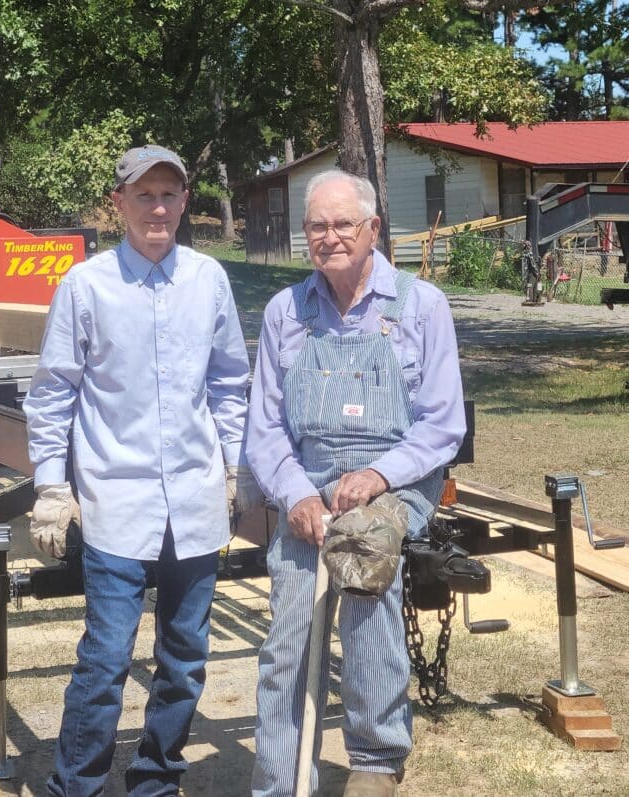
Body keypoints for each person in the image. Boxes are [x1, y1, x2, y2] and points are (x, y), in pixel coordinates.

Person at [23, 144, 261, 797]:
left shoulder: (208, 279)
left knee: (184, 661)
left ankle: (156, 779)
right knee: (104, 659)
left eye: (169, 195)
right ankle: (77, 783)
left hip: (194, 501)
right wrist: (51, 484)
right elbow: (53, 393)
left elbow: (229, 385)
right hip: (114, 506)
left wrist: (235, 469)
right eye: (144, 196)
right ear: (118, 204)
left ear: (186, 202)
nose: (158, 208)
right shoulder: (87, 286)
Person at [246, 169, 466, 797]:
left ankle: (375, 759)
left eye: (345, 223)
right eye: (318, 225)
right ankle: (283, 778)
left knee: (367, 564)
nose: (331, 236)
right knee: (290, 633)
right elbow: (264, 429)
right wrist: (296, 495)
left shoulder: (421, 306)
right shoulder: (286, 312)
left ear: (373, 228)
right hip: (309, 488)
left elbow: (442, 426)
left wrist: (374, 476)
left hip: (398, 479)